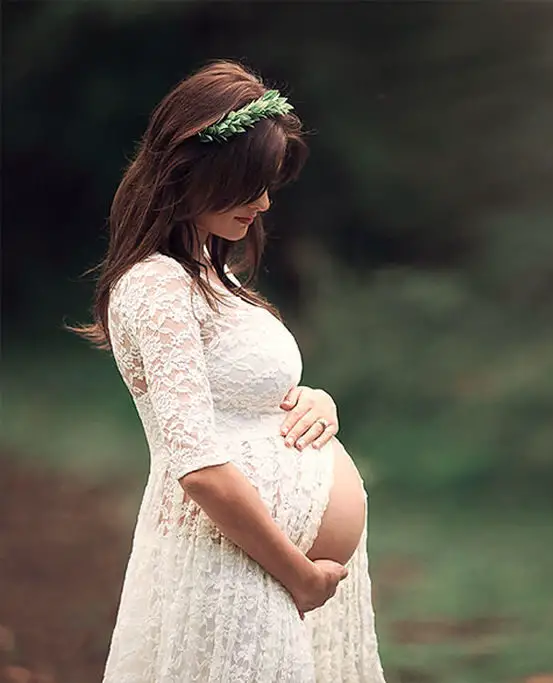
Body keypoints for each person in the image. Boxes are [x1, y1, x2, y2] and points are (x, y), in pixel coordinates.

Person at [69, 59, 387, 682]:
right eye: (251, 185)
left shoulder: (212, 277)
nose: (265, 203)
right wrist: (298, 575)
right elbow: (200, 469)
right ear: (197, 173)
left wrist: (314, 400)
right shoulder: (158, 285)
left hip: (259, 566)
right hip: (235, 567)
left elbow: (242, 399)